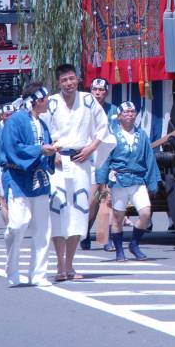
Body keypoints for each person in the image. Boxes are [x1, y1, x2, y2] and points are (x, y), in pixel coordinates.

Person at [42, 64, 114, 281]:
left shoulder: (89, 100)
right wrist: (51, 151)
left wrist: (91, 148)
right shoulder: (52, 103)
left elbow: (103, 128)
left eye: (72, 79)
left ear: (78, 79)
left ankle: (70, 265)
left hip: (80, 161)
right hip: (57, 162)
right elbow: (41, 128)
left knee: (78, 212)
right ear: (59, 83)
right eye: (64, 80)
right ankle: (59, 264)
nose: (69, 83)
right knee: (58, 211)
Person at [1, 84, 57, 287]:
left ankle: (39, 273)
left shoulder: (42, 123)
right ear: (35, 100)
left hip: (39, 177)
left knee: (43, 228)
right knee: (18, 224)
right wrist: (40, 149)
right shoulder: (15, 120)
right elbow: (12, 148)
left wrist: (51, 153)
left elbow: (45, 148)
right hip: (18, 176)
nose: (48, 101)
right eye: (46, 98)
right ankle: (12, 269)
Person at [96, 102, 159, 261]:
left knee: (145, 213)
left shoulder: (142, 135)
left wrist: (153, 182)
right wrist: (102, 185)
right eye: (126, 112)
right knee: (118, 217)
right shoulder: (112, 135)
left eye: (133, 112)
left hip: (138, 179)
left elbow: (149, 159)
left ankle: (134, 244)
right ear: (119, 116)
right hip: (118, 180)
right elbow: (104, 160)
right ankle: (119, 251)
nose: (130, 114)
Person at [81, 77, 119, 251]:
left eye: (101, 90)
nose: (98, 93)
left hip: (109, 158)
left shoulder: (114, 111)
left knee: (107, 199)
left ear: (106, 91)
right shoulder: (83, 110)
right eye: (95, 89)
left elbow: (117, 134)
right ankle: (85, 231)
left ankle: (104, 238)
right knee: (92, 201)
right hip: (90, 158)